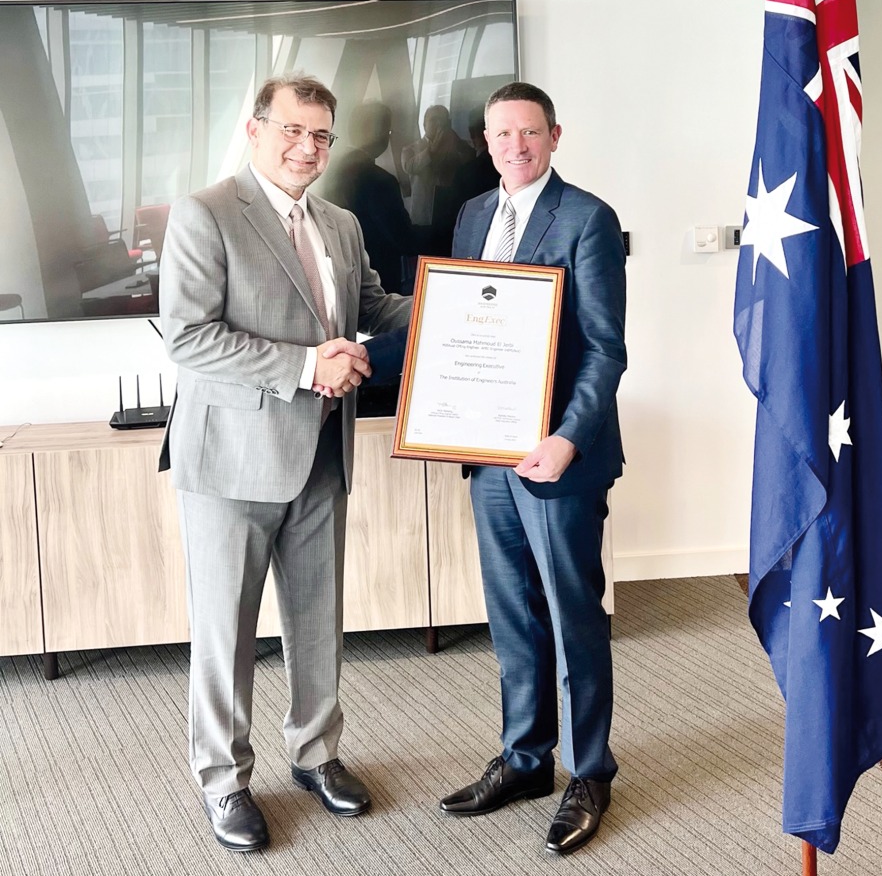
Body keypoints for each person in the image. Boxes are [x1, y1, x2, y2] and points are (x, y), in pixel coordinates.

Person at [157, 73, 411, 853]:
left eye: (322, 136)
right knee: (225, 633)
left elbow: (370, 305)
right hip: (231, 463)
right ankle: (224, 781)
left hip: (321, 458)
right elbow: (189, 337)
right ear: (255, 128)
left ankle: (315, 754)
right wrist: (307, 367)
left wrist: (471, 301)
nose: (308, 147)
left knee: (316, 624)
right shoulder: (205, 214)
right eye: (293, 131)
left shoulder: (339, 222)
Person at [438, 81, 627, 856]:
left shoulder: (587, 218)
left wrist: (568, 440)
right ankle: (525, 760)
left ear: (554, 135)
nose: (514, 146)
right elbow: (458, 324)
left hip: (557, 459)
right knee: (513, 614)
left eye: (528, 132)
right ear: (485, 141)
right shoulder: (474, 215)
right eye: (500, 134)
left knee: (573, 615)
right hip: (489, 458)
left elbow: (606, 348)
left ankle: (590, 771)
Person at [320, 101, 419, 296]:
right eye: (387, 132)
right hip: (376, 282)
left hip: (334, 277)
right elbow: (402, 237)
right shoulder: (381, 181)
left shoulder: (324, 171)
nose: (387, 138)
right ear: (379, 133)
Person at [399, 103, 473, 228]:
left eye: (442, 120)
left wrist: (457, 142)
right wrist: (432, 150)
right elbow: (409, 167)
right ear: (424, 124)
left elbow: (472, 161)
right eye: (433, 120)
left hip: (452, 214)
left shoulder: (459, 146)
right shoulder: (411, 149)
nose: (438, 124)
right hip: (424, 216)